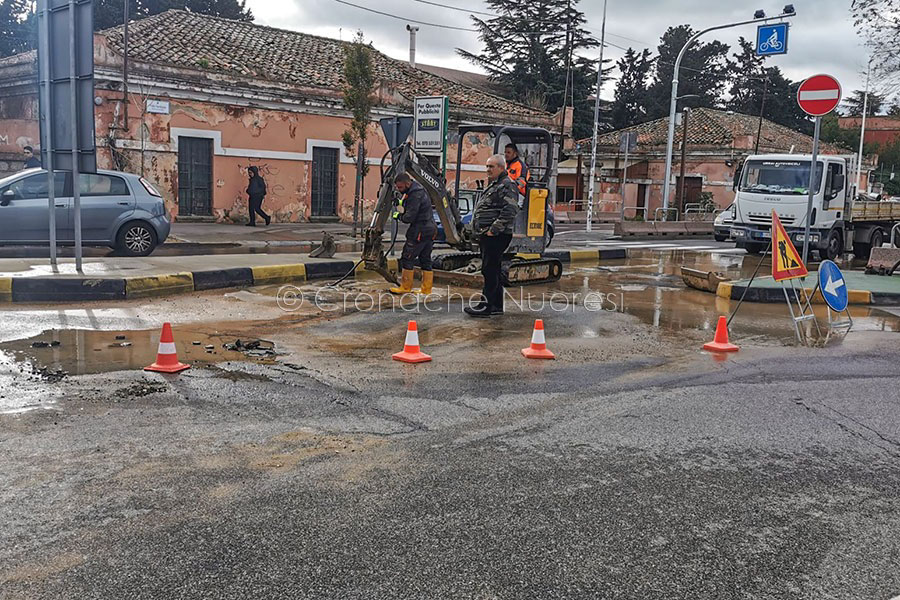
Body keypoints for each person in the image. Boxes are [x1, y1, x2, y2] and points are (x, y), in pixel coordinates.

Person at [465, 154, 518, 317]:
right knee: (493, 269)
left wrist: (493, 230)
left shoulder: (507, 185)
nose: (488, 169)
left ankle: (485, 306)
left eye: (491, 166)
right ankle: (496, 305)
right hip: (488, 234)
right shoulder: (496, 184)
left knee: (489, 269)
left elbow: (510, 210)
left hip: (496, 235)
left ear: (501, 168)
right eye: (487, 166)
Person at [389, 172, 436, 295]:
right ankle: (426, 289)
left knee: (407, 257)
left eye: (400, 187)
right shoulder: (415, 190)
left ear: (408, 183)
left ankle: (405, 287)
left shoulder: (415, 195)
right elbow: (407, 205)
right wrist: (400, 203)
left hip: (420, 230)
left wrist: (398, 215)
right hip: (430, 229)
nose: (399, 190)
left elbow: (409, 216)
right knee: (425, 259)